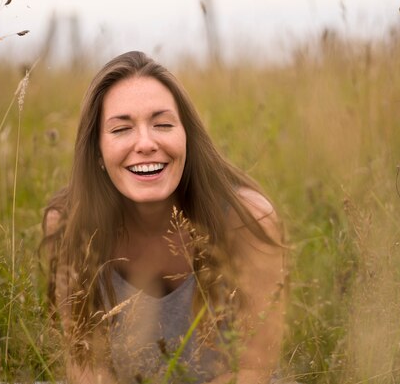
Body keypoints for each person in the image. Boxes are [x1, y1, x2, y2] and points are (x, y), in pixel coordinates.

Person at [42, 51, 286, 384]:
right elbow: (84, 365)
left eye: (163, 125)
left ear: (187, 138)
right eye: (121, 129)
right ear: (97, 151)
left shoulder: (247, 219)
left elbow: (254, 368)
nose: (145, 143)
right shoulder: (70, 223)